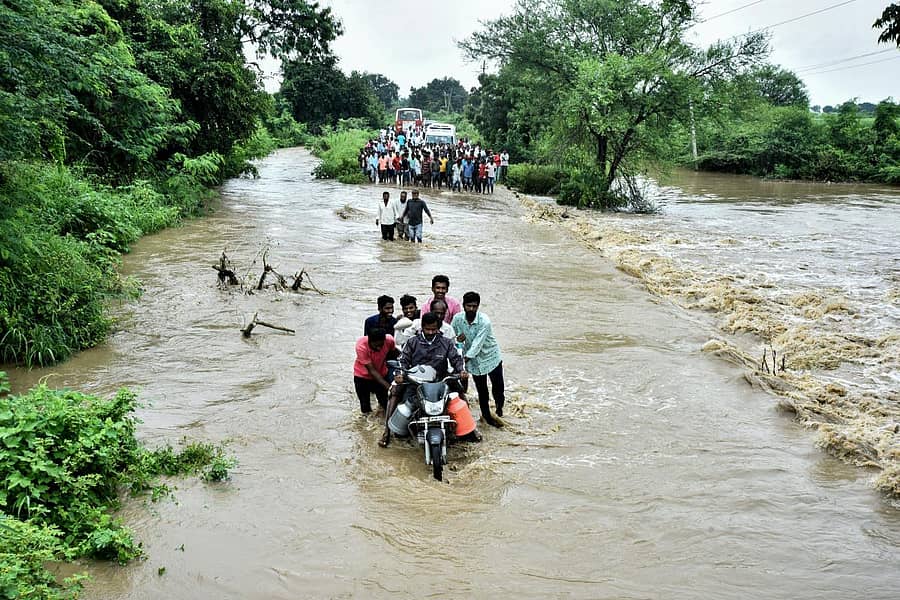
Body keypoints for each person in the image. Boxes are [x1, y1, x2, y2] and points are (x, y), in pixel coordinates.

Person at [380, 312, 472, 447]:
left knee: (460, 393)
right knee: (395, 392)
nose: (430, 332)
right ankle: (386, 432)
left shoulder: (446, 343)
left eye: (433, 329)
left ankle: (471, 430)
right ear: (422, 327)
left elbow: (456, 359)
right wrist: (399, 374)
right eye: (427, 329)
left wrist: (462, 371)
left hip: (440, 380)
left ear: (438, 328)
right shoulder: (412, 342)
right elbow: (403, 361)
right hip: (415, 380)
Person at [451, 292, 504, 426]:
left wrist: (463, 360)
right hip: (474, 361)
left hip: (490, 356)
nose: (471, 309)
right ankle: (486, 417)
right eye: (468, 306)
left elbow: (477, 344)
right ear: (463, 306)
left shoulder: (484, 321)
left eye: (474, 306)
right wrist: (457, 339)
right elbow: (452, 337)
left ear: (478, 306)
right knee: (482, 390)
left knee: (498, 388)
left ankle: (499, 410)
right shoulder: (457, 319)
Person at [353, 327, 395, 414]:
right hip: (362, 377)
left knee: (386, 404)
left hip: (382, 373)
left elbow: (394, 353)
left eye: (381, 345)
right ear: (369, 341)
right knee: (365, 408)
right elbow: (372, 371)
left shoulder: (389, 340)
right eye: (376, 346)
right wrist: (390, 387)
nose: (379, 349)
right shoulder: (361, 346)